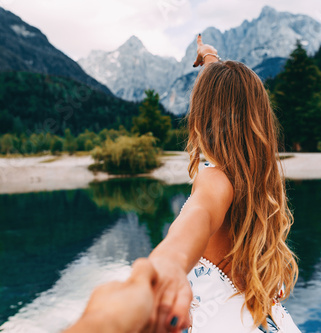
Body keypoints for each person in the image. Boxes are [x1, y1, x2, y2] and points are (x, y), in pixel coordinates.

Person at [66, 33, 301, 333]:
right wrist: (209, 57)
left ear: (202, 118)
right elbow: (228, 100)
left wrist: (167, 266)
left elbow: (197, 215)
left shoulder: (214, 180)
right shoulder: (262, 184)